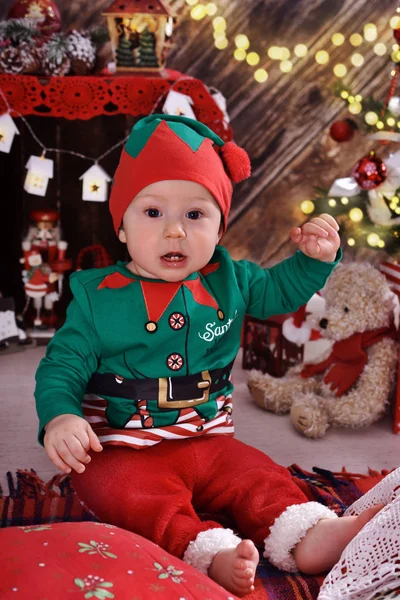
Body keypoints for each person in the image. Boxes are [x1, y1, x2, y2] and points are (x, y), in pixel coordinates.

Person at [35, 115, 381, 597]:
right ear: (122, 225)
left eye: (195, 215)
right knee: (123, 492)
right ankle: (205, 550)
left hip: (208, 437)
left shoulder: (231, 279)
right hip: (124, 443)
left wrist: (313, 261)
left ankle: (306, 533)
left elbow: (279, 292)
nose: (174, 232)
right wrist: (61, 417)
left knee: (258, 474)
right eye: (153, 213)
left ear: (219, 227)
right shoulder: (98, 297)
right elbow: (62, 365)